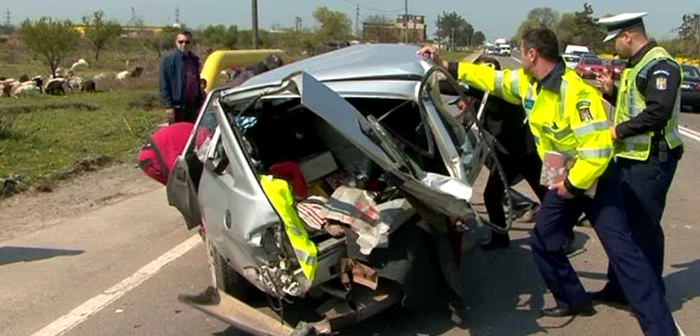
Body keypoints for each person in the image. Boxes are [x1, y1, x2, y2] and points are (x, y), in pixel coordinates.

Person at [418, 27, 679, 335]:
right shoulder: (529, 83)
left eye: (521, 49)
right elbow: (491, 79)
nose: (519, 55)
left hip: (593, 179)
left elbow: (597, 152)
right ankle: (573, 299)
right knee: (544, 240)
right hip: (562, 175)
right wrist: (444, 64)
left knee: (624, 252)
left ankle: (661, 329)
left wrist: (571, 186)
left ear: (531, 54)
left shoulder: (577, 94)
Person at [591, 12, 684, 306]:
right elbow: (635, 106)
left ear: (627, 36)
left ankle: (650, 296)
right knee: (622, 226)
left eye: (615, 41)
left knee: (643, 229)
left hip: (652, 160)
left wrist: (618, 130)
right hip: (631, 158)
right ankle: (619, 288)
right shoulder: (636, 66)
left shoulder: (660, 65)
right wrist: (612, 92)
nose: (614, 48)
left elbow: (658, 112)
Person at [442, 56, 576, 253]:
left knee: (549, 195)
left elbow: (460, 87)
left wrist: (439, 77)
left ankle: (565, 235)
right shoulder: (480, 97)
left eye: (481, 73)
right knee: (491, 196)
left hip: (528, 153)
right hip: (506, 154)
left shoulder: (499, 92)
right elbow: (458, 94)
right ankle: (500, 238)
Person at [159, 30, 205, 124]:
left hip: (193, 105)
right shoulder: (168, 61)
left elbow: (195, 80)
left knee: (192, 133)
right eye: (181, 42)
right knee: (178, 134)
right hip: (178, 107)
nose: (184, 44)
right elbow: (164, 84)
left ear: (191, 43)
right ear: (176, 42)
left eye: (187, 42)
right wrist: (169, 106)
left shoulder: (194, 60)